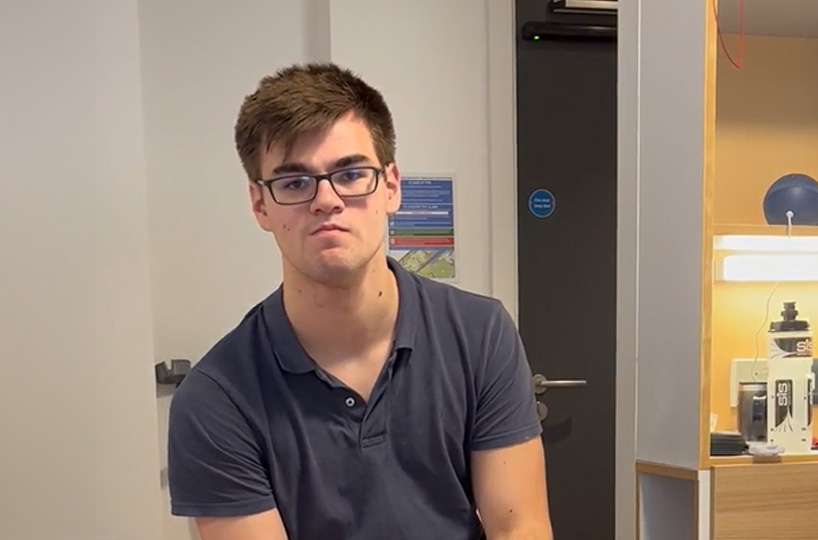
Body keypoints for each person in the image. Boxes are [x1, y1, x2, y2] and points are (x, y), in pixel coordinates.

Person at [166, 62, 553, 540]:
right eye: (293, 182)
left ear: (390, 186)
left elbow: (521, 528)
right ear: (259, 204)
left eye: (350, 173)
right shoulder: (216, 399)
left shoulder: (480, 335)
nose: (326, 200)